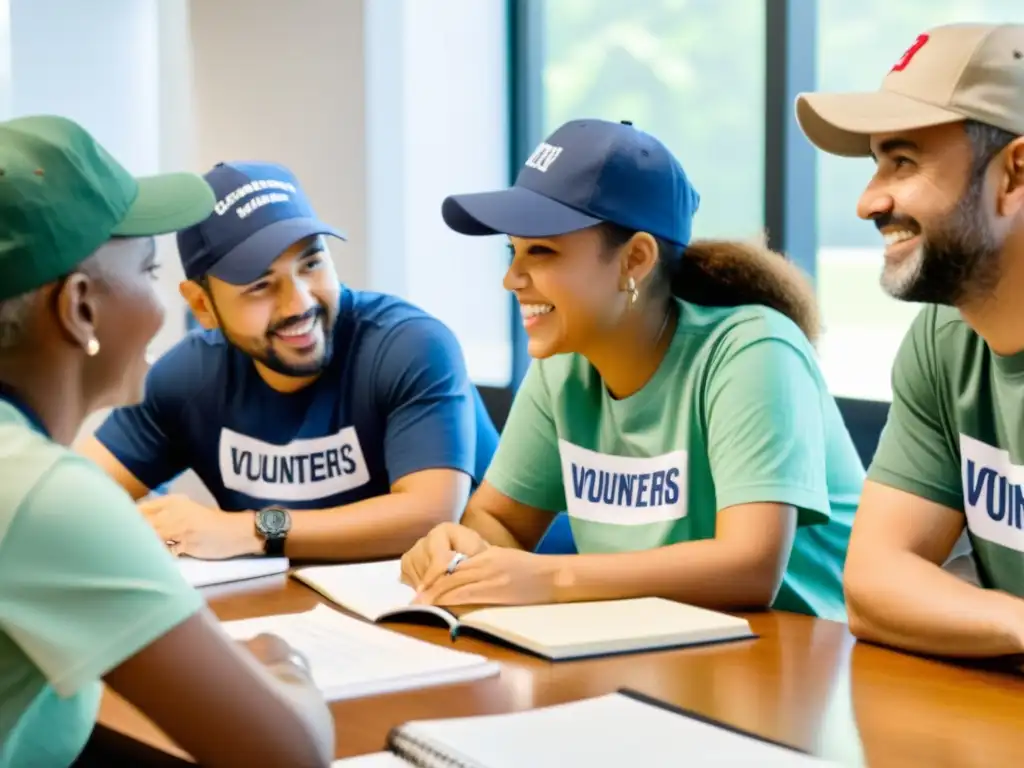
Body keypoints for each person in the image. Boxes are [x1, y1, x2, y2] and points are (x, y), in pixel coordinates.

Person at [399, 118, 864, 621]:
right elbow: (496, 517)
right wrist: (463, 549)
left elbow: (750, 567)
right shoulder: (566, 362)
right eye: (513, 250)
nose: (511, 278)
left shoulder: (754, 348)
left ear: (635, 259)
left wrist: (550, 578)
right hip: (654, 649)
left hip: (811, 663)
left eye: (542, 251)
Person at [0, 115, 333, 766]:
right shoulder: (40, 491)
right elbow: (287, 756)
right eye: (150, 271)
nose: (165, 313)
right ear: (79, 308)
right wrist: (284, 662)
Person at [78, 160, 498, 562]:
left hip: (488, 614)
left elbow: (426, 515)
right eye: (261, 285)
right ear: (203, 305)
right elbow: (76, 494)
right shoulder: (188, 376)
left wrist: (251, 530)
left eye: (311, 264)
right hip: (296, 614)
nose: (299, 303)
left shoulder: (410, 345)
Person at [794, 22, 1024, 660]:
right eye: (876, 165)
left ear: (1015, 173)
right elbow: (872, 583)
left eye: (903, 161)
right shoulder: (945, 337)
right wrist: (1014, 622)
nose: (869, 201)